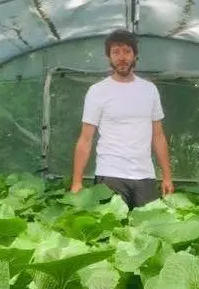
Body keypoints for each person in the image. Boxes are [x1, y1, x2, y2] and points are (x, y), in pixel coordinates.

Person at [70, 29, 175, 207]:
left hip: (144, 175)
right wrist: (76, 181)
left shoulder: (149, 90)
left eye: (127, 51)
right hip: (110, 174)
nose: (122, 57)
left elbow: (158, 136)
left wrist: (167, 177)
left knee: (147, 229)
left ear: (135, 55)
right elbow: (86, 138)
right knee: (110, 228)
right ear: (109, 57)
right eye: (115, 52)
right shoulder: (97, 91)